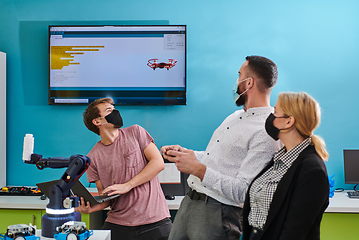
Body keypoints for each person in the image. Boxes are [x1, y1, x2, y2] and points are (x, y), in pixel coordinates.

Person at [161, 55, 282, 240]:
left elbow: (244, 192)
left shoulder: (266, 131)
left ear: (249, 83)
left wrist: (198, 170)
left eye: (239, 75)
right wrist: (188, 154)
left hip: (218, 213)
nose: (236, 82)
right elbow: (218, 159)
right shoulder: (234, 117)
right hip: (190, 202)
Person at [76, 98, 172, 240]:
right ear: (97, 121)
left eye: (114, 109)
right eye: (109, 110)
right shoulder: (92, 157)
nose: (115, 112)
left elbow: (158, 163)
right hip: (118, 224)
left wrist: (127, 186)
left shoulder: (136, 132)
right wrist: (90, 209)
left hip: (155, 221)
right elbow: (106, 197)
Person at [242, 92, 329, 240]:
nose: (269, 117)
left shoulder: (312, 170)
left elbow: (294, 231)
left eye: (275, 112)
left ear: (289, 122)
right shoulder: (280, 158)